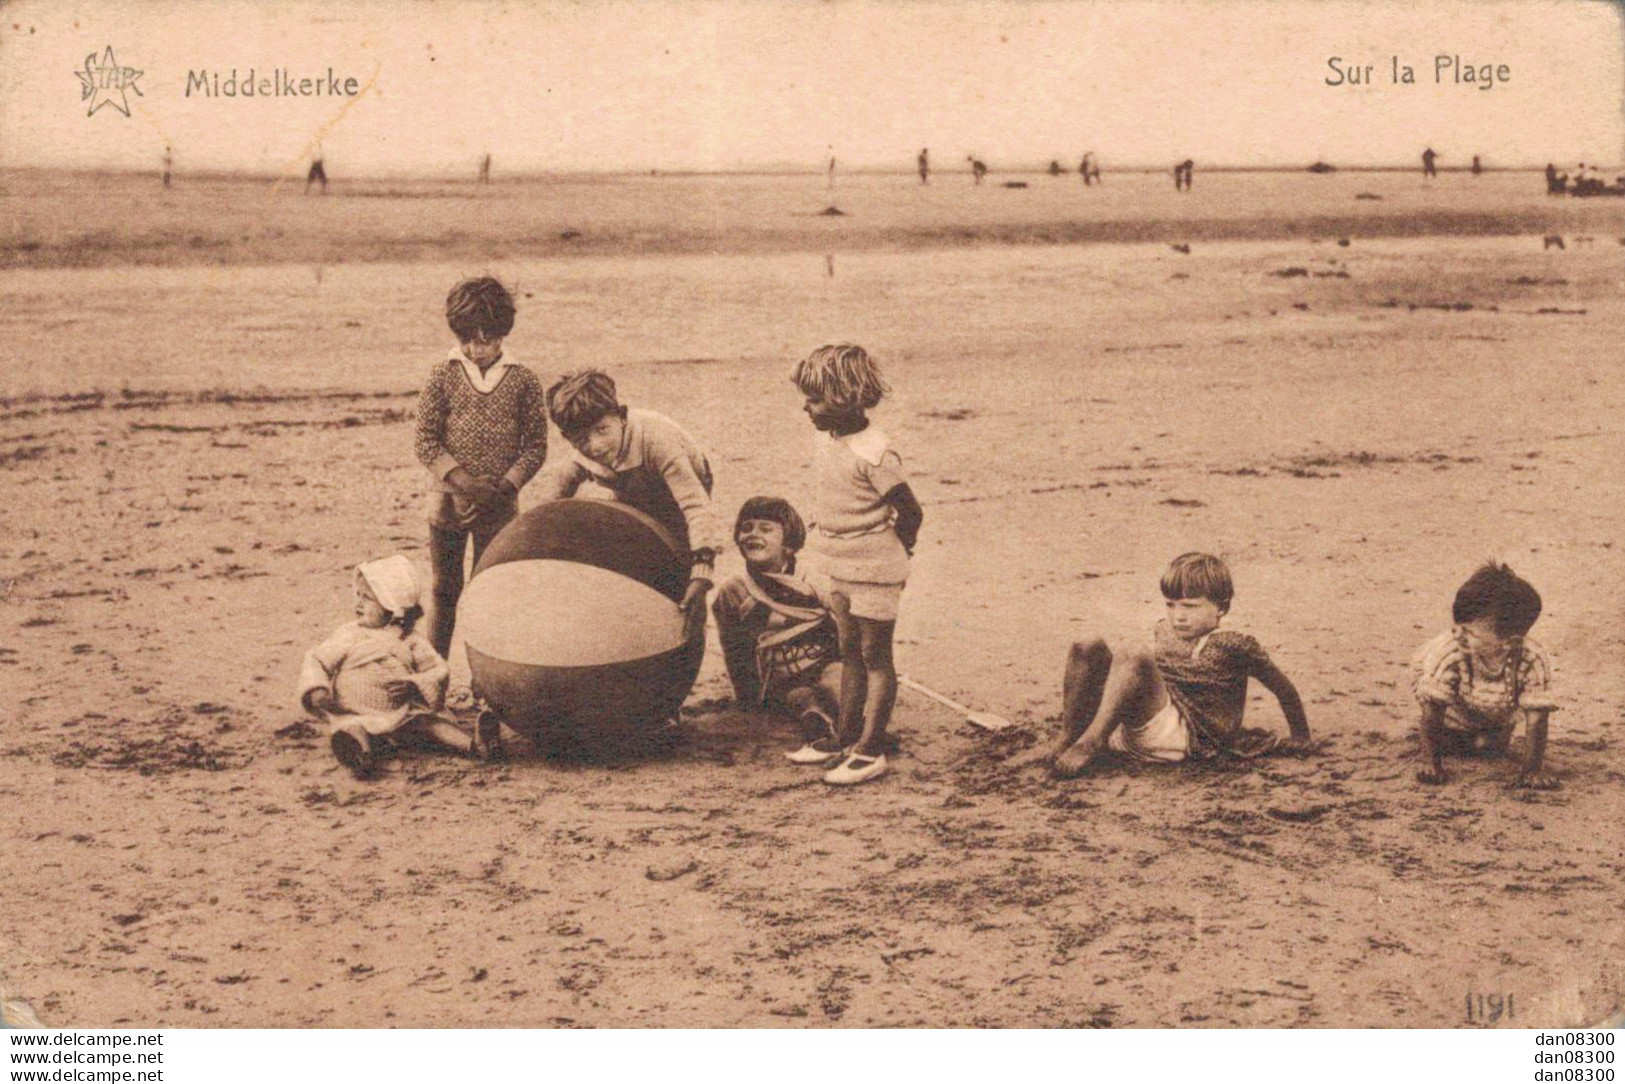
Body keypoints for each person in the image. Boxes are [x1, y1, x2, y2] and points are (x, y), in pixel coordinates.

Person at [1010, 552, 1312, 777]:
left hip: (1185, 737)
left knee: (1135, 654)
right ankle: (1069, 737)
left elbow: (1282, 687)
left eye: (1190, 607)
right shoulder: (1164, 630)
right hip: (1145, 726)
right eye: (1171, 605)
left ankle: (1091, 743)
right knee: (1087, 646)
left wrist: (1301, 736)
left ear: (1221, 607)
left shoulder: (1236, 644)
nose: (1178, 616)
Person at [792, 344, 924, 785]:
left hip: (875, 568)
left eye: (815, 400)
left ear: (846, 398)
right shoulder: (827, 440)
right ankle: (845, 735)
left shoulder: (875, 454)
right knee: (849, 650)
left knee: (875, 655)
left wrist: (897, 555)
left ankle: (871, 747)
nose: (807, 408)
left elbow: (911, 512)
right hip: (840, 564)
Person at [413, 277, 550, 678]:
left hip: (500, 508)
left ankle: (485, 681)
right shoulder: (443, 374)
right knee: (444, 590)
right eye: (467, 339)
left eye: (487, 338)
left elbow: (536, 447)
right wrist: (464, 484)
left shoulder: (523, 379)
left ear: (503, 332)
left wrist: (503, 489)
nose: (477, 349)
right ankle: (434, 677)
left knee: (489, 593)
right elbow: (425, 440)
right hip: (446, 504)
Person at [531, 369, 722, 643]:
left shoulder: (657, 441)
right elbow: (551, 502)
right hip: (634, 492)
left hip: (677, 494)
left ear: (621, 417)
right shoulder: (583, 457)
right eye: (580, 439)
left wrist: (702, 572)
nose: (595, 446)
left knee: (682, 572)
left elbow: (696, 506)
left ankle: (689, 642)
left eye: (602, 430)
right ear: (567, 438)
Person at [298, 556, 477, 778]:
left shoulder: (412, 641)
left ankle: (474, 746)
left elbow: (438, 671)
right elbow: (317, 659)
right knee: (352, 729)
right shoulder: (350, 634)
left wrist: (415, 685)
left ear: (392, 607)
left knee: (429, 724)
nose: (358, 604)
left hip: (402, 714)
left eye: (368, 598)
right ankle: (360, 756)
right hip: (354, 712)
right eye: (358, 596)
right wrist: (318, 688)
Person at [712, 497, 845, 763]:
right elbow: (734, 647)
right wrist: (748, 697)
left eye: (765, 528)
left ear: (789, 544)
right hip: (782, 674)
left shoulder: (813, 579)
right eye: (746, 528)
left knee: (837, 683)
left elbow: (846, 621)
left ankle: (862, 732)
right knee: (801, 698)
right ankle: (818, 731)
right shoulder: (734, 590)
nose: (753, 534)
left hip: (825, 660)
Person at [1412, 562, 1559, 789]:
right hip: (1454, 711)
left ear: (1510, 641)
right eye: (1459, 626)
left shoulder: (1532, 660)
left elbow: (1537, 717)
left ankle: (1483, 737)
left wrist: (1532, 770)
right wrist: (1430, 762)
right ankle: (1444, 742)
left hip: (1497, 711)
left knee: (1489, 748)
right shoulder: (1449, 651)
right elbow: (1432, 707)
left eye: (1469, 632)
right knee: (1450, 741)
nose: (1458, 634)